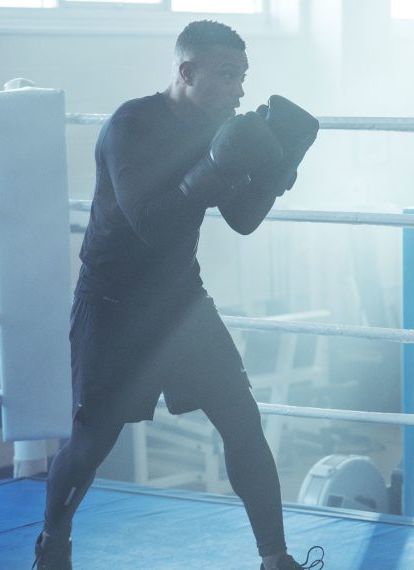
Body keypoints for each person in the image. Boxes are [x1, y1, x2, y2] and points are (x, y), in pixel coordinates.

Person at [33, 20, 323, 570]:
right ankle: (54, 544)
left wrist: (276, 169)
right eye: (228, 74)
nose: (240, 89)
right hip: (113, 304)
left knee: (242, 421)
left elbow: (241, 220)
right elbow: (150, 221)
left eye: (244, 76)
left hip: (180, 302)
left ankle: (275, 558)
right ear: (186, 72)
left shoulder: (222, 125)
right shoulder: (131, 126)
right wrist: (219, 163)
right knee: (91, 443)